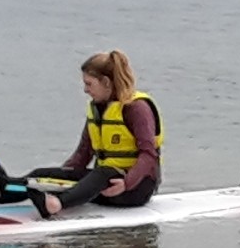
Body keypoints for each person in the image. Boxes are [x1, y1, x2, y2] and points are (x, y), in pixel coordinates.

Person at [26, 50, 160, 217]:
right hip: (103, 186)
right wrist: (58, 178)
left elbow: (148, 155)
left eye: (89, 84)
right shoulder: (98, 109)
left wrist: (126, 183)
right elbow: (82, 156)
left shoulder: (136, 109)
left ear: (106, 82)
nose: (85, 90)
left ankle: (58, 204)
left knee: (103, 173)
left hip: (134, 189)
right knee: (38, 177)